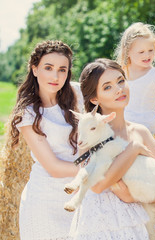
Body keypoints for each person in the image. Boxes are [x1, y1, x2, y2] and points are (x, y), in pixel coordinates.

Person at [69, 58, 155, 239]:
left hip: (130, 223)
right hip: (95, 225)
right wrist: (133, 149)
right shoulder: (89, 134)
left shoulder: (140, 132)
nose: (119, 89)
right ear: (95, 98)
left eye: (121, 81)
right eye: (108, 87)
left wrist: (131, 197)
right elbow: (96, 185)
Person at [9, 40, 82, 239]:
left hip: (79, 198)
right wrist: (93, 170)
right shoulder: (28, 114)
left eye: (62, 70)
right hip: (44, 202)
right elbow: (53, 167)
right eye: (48, 68)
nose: (55, 76)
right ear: (34, 69)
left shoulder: (77, 95)